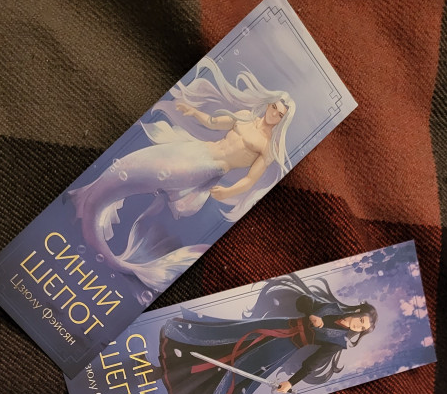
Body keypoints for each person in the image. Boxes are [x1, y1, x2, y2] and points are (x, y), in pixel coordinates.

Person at [69, 57, 295, 299]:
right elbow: (213, 122)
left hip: (208, 168)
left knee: (143, 172)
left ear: (283, 120)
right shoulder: (244, 116)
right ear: (268, 104)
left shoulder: (267, 148)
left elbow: (250, 180)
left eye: (280, 114)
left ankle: (114, 244)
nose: (274, 114)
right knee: (129, 165)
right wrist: (194, 112)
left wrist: (228, 192)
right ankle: (88, 204)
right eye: (274, 107)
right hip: (198, 149)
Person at [143, 274, 377, 394]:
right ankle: (158, 371)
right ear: (358, 311)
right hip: (271, 326)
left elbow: (312, 364)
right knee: (215, 344)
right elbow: (303, 302)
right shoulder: (332, 308)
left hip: (278, 349)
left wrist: (291, 382)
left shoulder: (338, 342)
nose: (358, 326)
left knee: (228, 374)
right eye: (362, 320)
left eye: (362, 328)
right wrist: (312, 313)